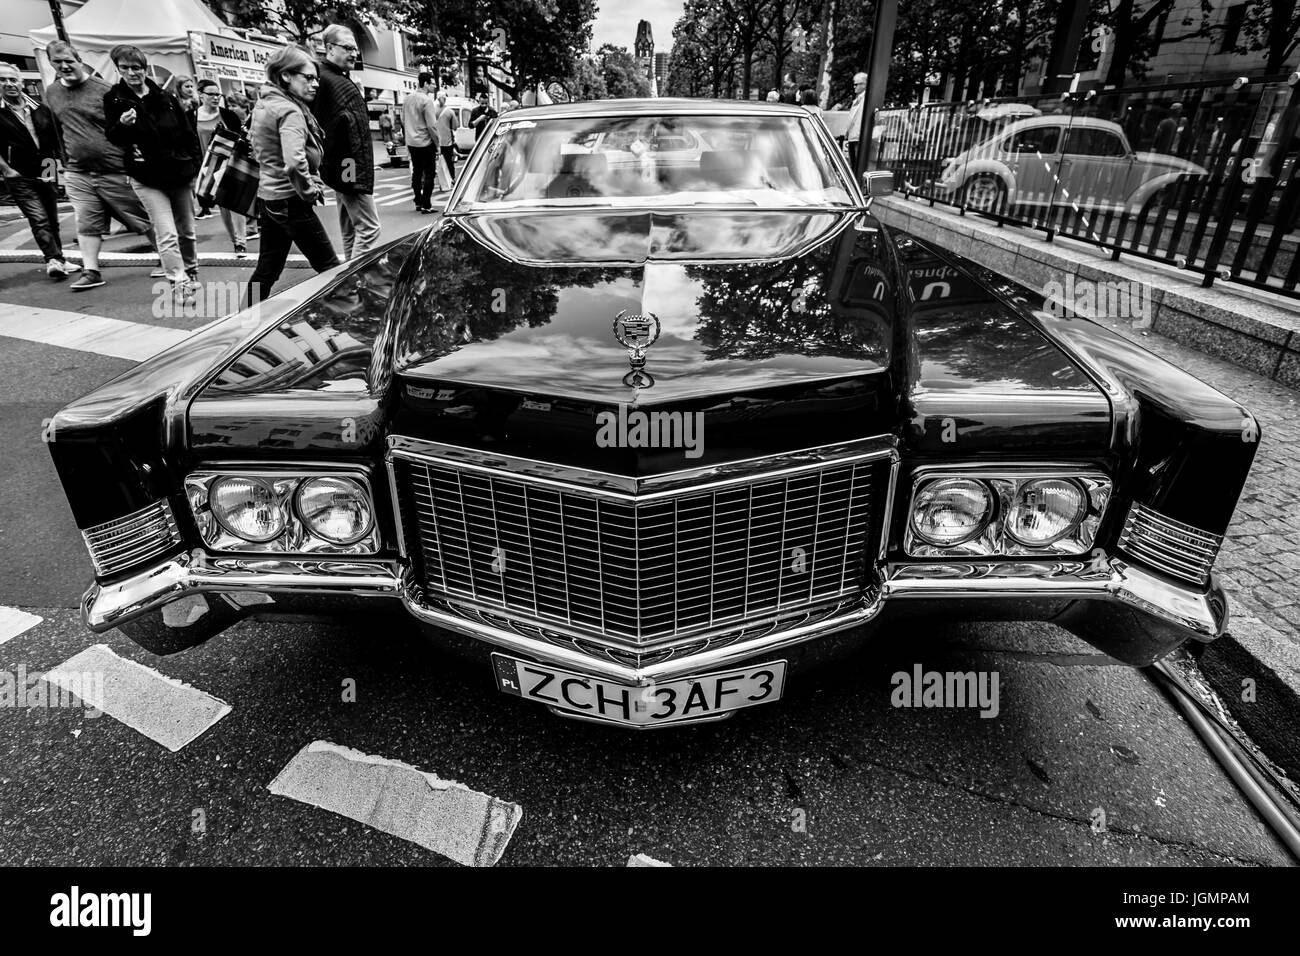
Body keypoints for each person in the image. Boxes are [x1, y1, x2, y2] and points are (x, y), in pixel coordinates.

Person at [42, 39, 161, 292]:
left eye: (69, 61)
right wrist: (58, 165)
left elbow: (128, 128)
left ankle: (168, 256)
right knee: (86, 221)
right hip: (78, 170)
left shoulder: (105, 91)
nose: (64, 66)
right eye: (57, 62)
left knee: (141, 217)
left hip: (114, 167)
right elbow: (55, 129)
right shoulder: (51, 92)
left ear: (79, 60)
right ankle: (91, 271)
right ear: (51, 63)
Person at [103, 45, 203, 298]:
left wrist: (195, 167)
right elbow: (113, 138)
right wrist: (122, 126)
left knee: (187, 231)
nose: (131, 73)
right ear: (118, 70)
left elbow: (187, 133)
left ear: (145, 69)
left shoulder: (165, 97)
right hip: (146, 176)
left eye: (136, 67)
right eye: (124, 68)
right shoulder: (115, 99)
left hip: (179, 172)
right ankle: (178, 283)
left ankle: (191, 272)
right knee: (166, 232)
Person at [246, 44, 340, 305]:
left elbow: (261, 152)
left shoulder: (266, 103)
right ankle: (351, 322)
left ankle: (246, 316)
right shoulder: (290, 111)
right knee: (330, 267)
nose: (315, 84)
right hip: (290, 199)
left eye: (316, 79)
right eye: (308, 77)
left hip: (270, 198)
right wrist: (310, 191)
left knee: (268, 268)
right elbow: (294, 162)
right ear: (286, 75)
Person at [0, 62, 78, 279]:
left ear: (21, 82)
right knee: (38, 218)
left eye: (13, 79)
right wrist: (6, 170)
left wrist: (57, 169)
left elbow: (54, 141)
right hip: (18, 175)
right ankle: (52, 260)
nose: (9, 84)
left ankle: (60, 259)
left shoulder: (40, 108)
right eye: (3, 80)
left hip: (45, 169)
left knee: (52, 218)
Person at [311, 23, 380, 259]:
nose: (354, 53)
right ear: (329, 48)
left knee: (351, 230)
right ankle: (356, 282)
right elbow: (346, 130)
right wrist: (354, 177)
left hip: (341, 167)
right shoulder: (332, 80)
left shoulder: (329, 78)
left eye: (355, 49)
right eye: (348, 47)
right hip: (349, 166)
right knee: (370, 229)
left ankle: (348, 282)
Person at [194, 78, 248, 256]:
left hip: (229, 165)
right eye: (211, 94)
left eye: (218, 94)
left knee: (234, 203)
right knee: (223, 206)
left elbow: (241, 138)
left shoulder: (228, 115)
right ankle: (234, 239)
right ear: (201, 95)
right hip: (206, 167)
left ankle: (241, 242)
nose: (216, 98)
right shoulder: (192, 117)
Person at [401, 71, 439, 213]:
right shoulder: (426, 101)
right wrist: (438, 144)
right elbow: (432, 126)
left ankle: (418, 200)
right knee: (429, 173)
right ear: (425, 84)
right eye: (433, 83)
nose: (434, 86)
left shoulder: (407, 99)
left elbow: (404, 121)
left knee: (416, 172)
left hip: (412, 142)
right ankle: (426, 204)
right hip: (425, 142)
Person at [435, 91, 459, 185]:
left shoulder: (432, 110)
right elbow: (455, 127)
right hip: (447, 141)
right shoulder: (450, 111)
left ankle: (441, 182)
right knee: (449, 162)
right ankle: (451, 179)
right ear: (445, 99)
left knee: (438, 163)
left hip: (435, 141)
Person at [845, 71, 867, 170]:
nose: (854, 86)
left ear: (864, 84)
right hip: (853, 136)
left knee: (858, 166)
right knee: (853, 166)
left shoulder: (866, 99)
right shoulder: (857, 99)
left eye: (856, 84)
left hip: (859, 137)